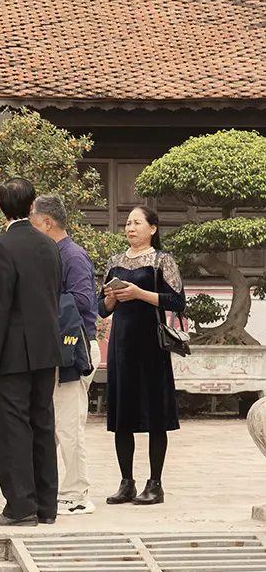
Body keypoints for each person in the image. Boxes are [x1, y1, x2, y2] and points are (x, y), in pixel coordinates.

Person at [0, 178, 64, 527]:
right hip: (46, 347)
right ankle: (46, 505)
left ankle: (20, 506)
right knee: (42, 423)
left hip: (14, 352)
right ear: (32, 207)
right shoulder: (50, 244)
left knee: (13, 427)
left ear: (0, 208)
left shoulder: (1, 246)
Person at [99, 205, 185, 507]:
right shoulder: (115, 262)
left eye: (137, 223)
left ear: (153, 228)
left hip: (151, 347)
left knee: (156, 415)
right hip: (122, 346)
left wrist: (140, 294)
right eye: (127, 223)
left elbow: (177, 301)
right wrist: (111, 298)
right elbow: (102, 309)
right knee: (122, 416)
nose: (130, 228)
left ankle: (155, 483)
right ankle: (126, 482)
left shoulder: (162, 261)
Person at [31, 195, 100, 515]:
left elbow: (84, 303)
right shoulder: (53, 254)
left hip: (73, 348)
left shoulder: (72, 256)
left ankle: (78, 494)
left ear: (47, 222)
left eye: (33, 221)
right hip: (58, 348)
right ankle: (52, 488)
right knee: (52, 424)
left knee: (69, 426)